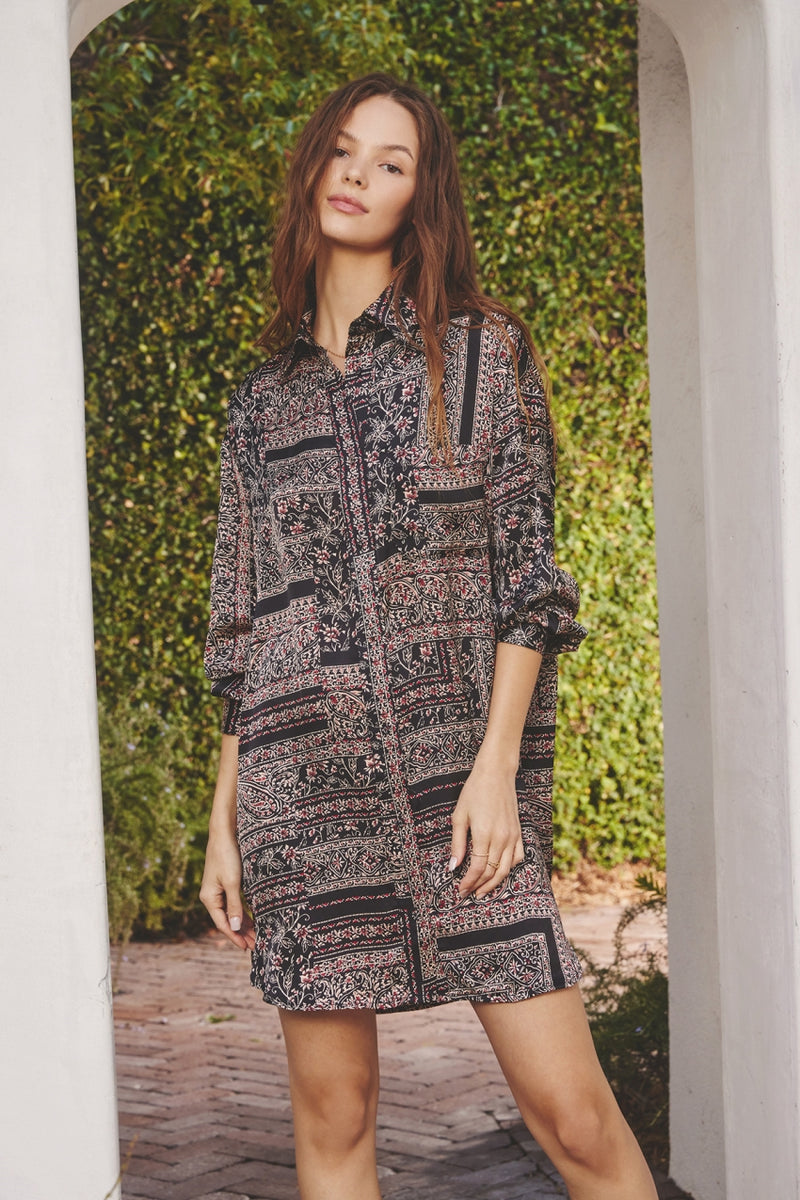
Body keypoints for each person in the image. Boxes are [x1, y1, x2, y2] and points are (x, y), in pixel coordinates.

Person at [200, 72, 658, 1200]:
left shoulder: (482, 354)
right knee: (335, 1115)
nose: (357, 176)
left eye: (390, 161)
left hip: (465, 788)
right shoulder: (260, 402)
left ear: (421, 193)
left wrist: (496, 770)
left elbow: (529, 582)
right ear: (313, 166)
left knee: (573, 1120)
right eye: (342, 151)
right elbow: (243, 624)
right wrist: (224, 819)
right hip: (304, 789)